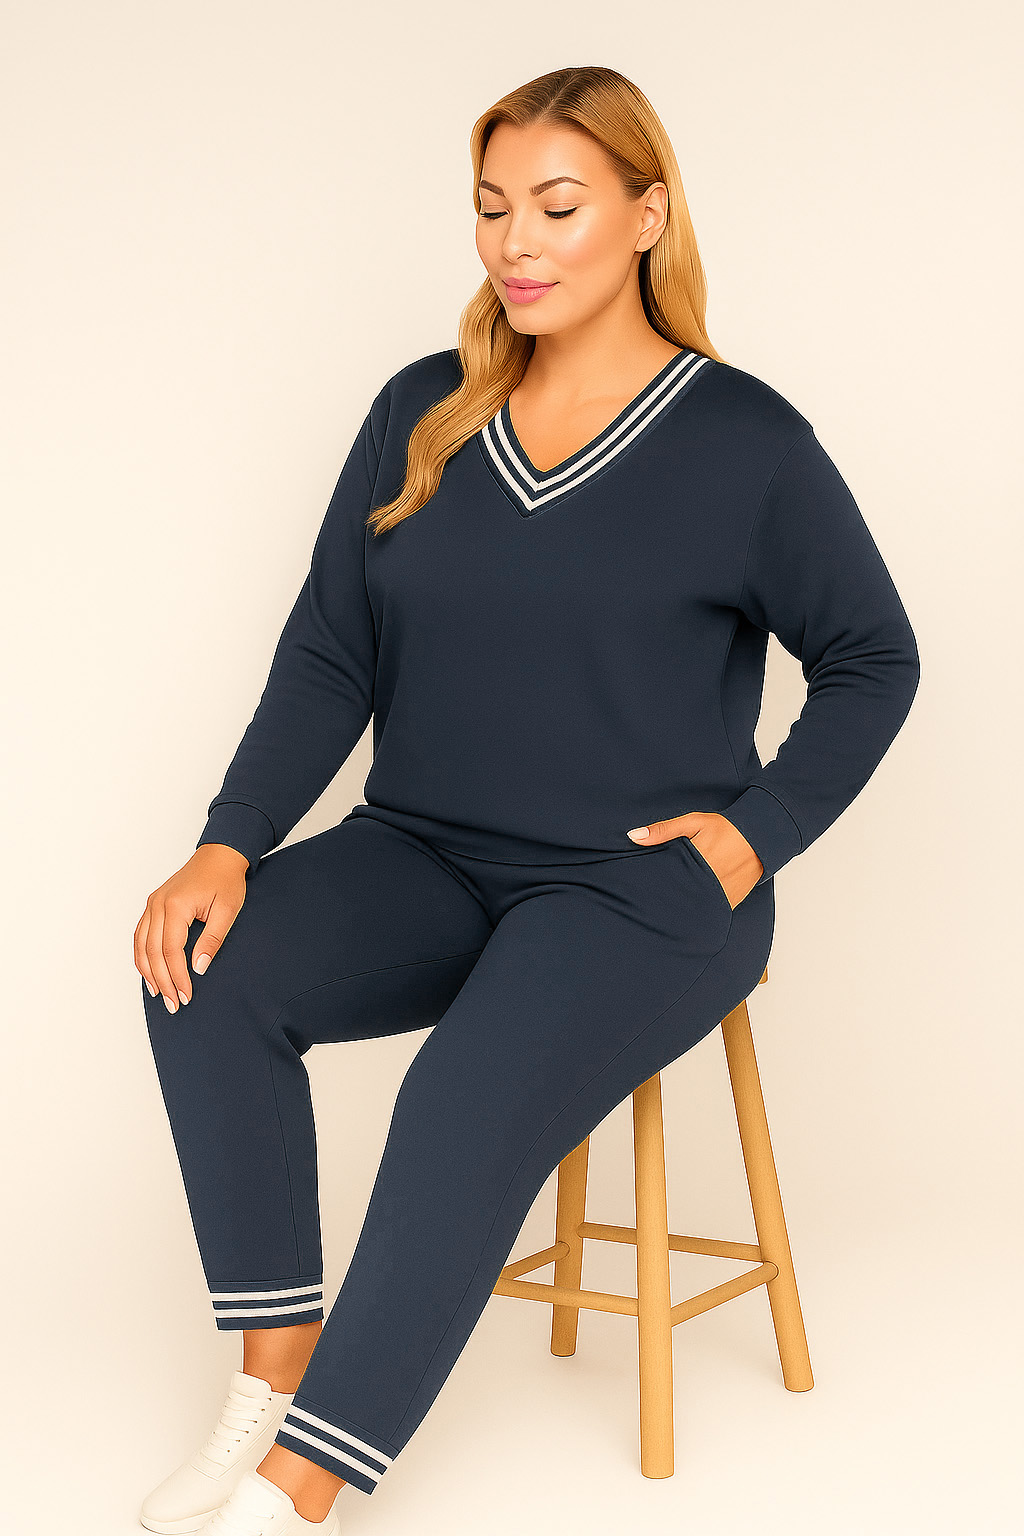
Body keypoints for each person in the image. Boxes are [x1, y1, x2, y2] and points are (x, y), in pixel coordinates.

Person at [134, 64, 920, 1536]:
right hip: (425, 855)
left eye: (558, 206)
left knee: (459, 1098)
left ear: (647, 213)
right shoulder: (423, 411)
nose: (517, 243)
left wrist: (755, 836)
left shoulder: (747, 443)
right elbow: (331, 653)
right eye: (494, 208)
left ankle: (300, 1493)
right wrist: (227, 842)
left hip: (641, 889)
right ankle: (276, 1372)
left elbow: (876, 658)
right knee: (202, 966)